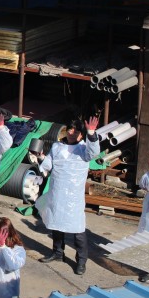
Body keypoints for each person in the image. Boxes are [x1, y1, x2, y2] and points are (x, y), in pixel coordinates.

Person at [35, 117, 99, 275]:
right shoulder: (57, 146)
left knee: (78, 231)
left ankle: (81, 261)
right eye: (70, 129)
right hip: (57, 194)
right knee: (56, 225)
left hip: (74, 199)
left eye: (76, 130)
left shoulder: (84, 150)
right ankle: (58, 253)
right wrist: (41, 159)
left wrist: (91, 133)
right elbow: (48, 165)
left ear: (81, 134)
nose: (72, 133)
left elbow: (94, 152)